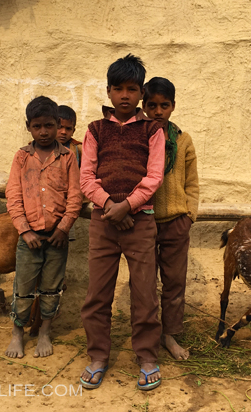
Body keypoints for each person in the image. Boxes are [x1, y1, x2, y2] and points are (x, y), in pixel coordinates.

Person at [79, 54, 165, 391]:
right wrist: (110, 207)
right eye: (118, 89)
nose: (125, 95)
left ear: (141, 93)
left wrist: (127, 206)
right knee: (97, 295)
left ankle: (146, 357)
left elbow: (154, 176)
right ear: (109, 92)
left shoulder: (152, 130)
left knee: (144, 293)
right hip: (103, 223)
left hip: (140, 223)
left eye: (132, 89)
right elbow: (87, 178)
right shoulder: (95, 130)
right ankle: (98, 356)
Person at [4, 96, 81, 359]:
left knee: (51, 287)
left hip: (57, 238)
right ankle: (18, 333)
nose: (44, 132)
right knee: (23, 287)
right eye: (37, 126)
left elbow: (75, 196)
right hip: (29, 238)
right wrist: (24, 230)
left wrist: (64, 226)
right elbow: (13, 196)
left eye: (49, 125)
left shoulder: (68, 157)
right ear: (28, 127)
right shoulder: (22, 157)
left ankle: (46, 331)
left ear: (58, 124)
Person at [143, 77, 199, 361]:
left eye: (164, 105)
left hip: (176, 221)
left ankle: (170, 334)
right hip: (144, 221)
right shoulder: (137, 136)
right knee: (144, 283)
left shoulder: (183, 140)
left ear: (173, 106)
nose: (158, 111)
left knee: (174, 282)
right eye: (152, 105)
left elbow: (192, 183)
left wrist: (189, 213)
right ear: (144, 106)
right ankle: (147, 336)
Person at [56, 104, 83, 242]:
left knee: (62, 239)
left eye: (68, 129)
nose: (63, 132)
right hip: (46, 201)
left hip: (69, 203)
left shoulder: (77, 149)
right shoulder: (38, 147)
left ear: (73, 130)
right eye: (59, 127)